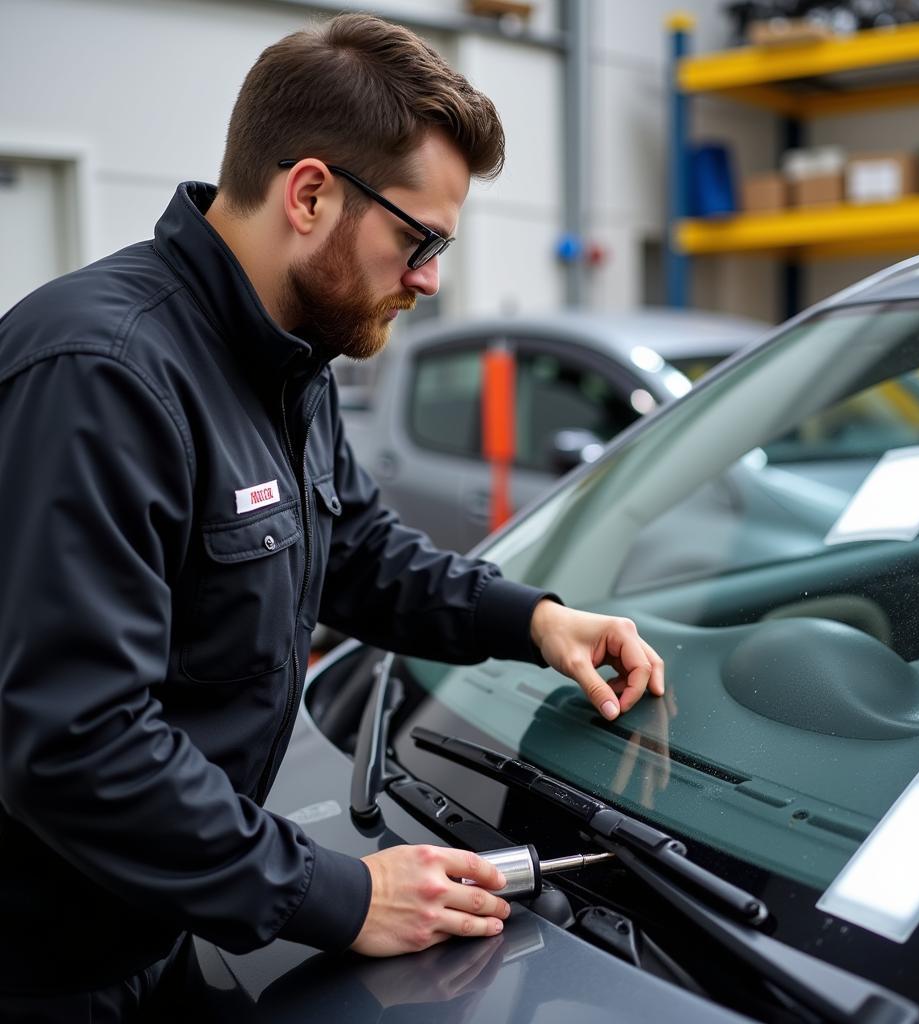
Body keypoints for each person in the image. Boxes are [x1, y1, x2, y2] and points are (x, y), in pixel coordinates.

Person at [0, 11, 664, 1021]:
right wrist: (340, 893)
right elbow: (77, 742)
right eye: (419, 237)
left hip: (160, 922)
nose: (431, 277)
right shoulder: (102, 376)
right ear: (309, 193)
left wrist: (531, 620)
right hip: (46, 969)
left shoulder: (288, 356)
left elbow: (352, 548)